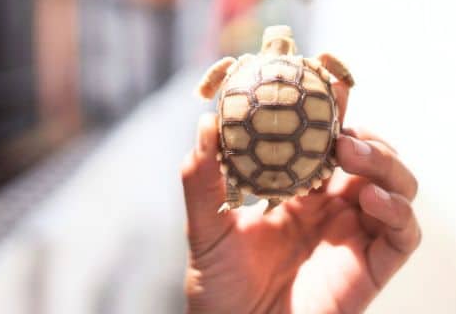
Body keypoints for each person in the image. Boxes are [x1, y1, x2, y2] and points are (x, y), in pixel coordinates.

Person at [180, 82, 421, 313]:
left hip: (254, 168)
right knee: (344, 140)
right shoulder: (312, 72)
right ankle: (236, 193)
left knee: (236, 171)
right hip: (300, 171)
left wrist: (207, 87)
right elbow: (337, 85)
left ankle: (234, 195)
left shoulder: (241, 69)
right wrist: (345, 80)